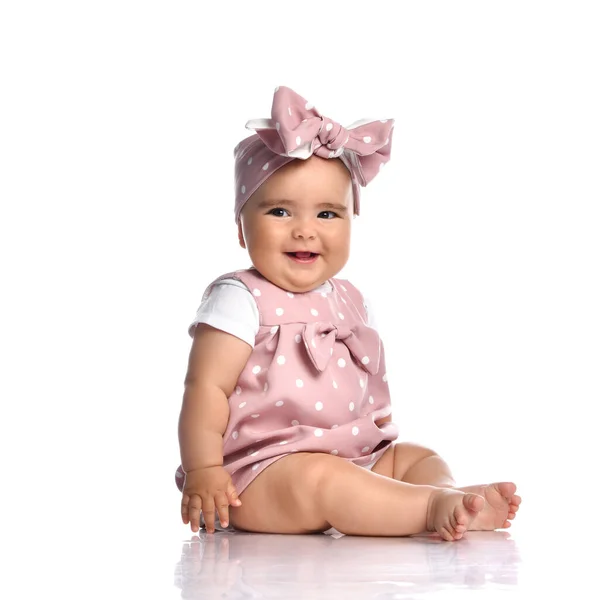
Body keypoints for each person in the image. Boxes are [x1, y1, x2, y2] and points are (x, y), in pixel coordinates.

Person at [175, 86, 521, 541]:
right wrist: (204, 470)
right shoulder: (239, 298)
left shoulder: (352, 299)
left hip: (352, 455)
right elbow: (205, 388)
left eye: (328, 214)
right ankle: (428, 508)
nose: (305, 230)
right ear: (242, 228)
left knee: (415, 456)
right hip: (262, 475)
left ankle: (448, 495)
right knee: (322, 480)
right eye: (280, 211)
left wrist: (374, 443)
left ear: (351, 221)